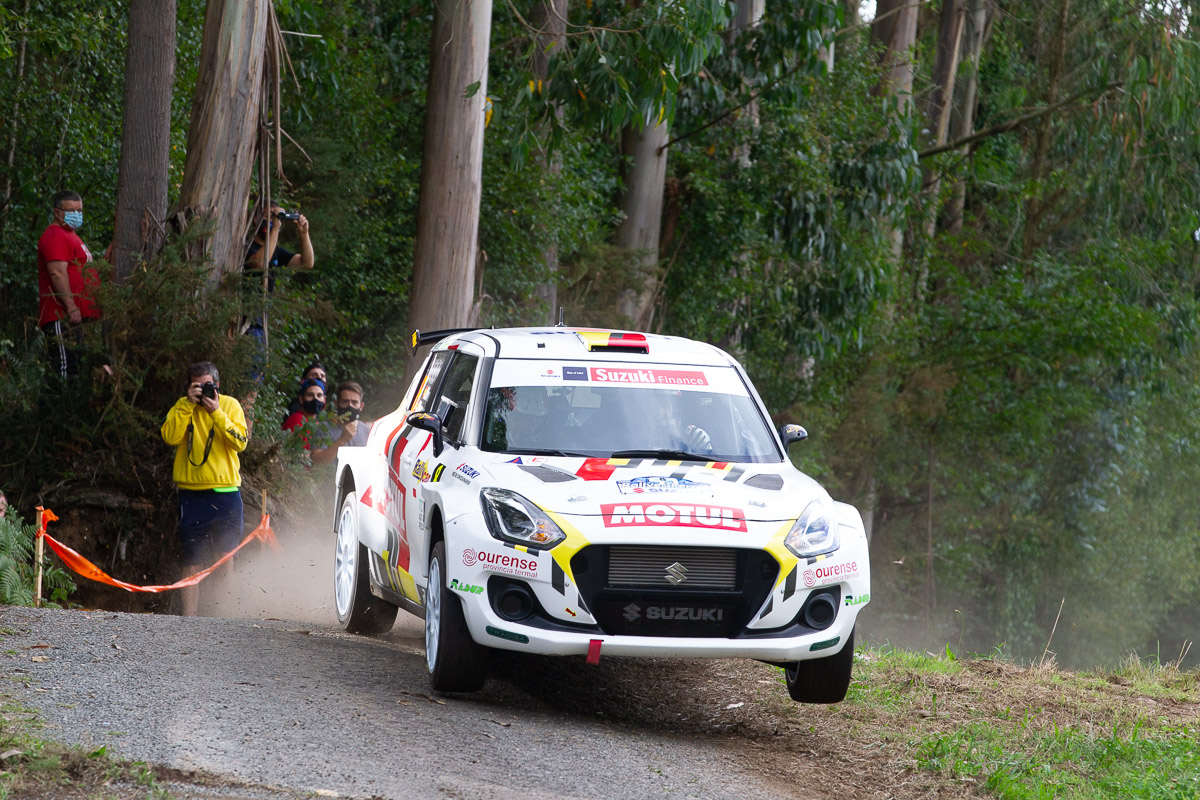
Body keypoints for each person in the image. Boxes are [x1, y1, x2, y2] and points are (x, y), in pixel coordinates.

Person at [160, 361, 249, 616]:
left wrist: (216, 412)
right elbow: (169, 437)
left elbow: (241, 442)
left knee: (225, 557)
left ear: (217, 385)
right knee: (192, 559)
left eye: (207, 385)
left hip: (226, 493)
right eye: (196, 386)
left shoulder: (230, 405)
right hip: (191, 495)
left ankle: (224, 617)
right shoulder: (182, 406)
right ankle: (190, 620)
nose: (203, 391)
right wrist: (187, 405)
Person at [241, 204, 315, 384]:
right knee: (248, 379)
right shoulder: (245, 246)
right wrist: (275, 229)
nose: (273, 222)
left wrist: (303, 234)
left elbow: (307, 263)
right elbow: (259, 263)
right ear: (256, 219)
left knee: (255, 379)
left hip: (260, 321)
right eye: (269, 217)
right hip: (244, 320)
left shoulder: (276, 251)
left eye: (277, 218)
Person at [37, 190, 100, 380]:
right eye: (71, 211)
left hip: (77, 317)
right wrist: (71, 307)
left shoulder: (71, 235)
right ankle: (61, 401)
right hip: (63, 316)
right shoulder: (55, 234)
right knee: (66, 369)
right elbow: (57, 272)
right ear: (57, 212)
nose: (76, 215)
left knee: (77, 367)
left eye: (79, 211)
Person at [311, 381, 372, 465]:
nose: (350, 406)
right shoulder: (324, 429)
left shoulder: (368, 432)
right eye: (345, 402)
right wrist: (342, 440)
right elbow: (317, 461)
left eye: (354, 402)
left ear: (361, 406)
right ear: (336, 404)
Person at [281, 377, 328, 452]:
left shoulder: (316, 422)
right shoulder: (297, 420)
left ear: (324, 399)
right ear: (301, 399)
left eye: (319, 395)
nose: (315, 399)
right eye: (310, 395)